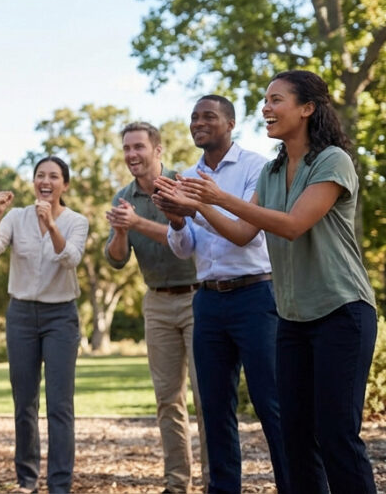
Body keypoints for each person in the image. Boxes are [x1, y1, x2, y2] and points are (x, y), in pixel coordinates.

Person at [155, 71, 377, 493]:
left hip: (341, 311)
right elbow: (242, 233)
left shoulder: (332, 161)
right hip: (292, 317)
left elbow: (292, 225)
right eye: (265, 100)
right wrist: (194, 208)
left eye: (276, 100)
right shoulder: (273, 171)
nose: (266, 108)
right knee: (295, 436)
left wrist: (218, 197)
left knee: (336, 435)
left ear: (307, 108)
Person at [152, 95, 289, 494]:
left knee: (271, 403)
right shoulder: (187, 177)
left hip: (255, 296)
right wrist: (177, 221)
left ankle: (294, 484)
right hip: (208, 300)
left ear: (230, 123)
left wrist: (194, 210)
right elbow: (184, 249)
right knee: (213, 407)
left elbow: (245, 235)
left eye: (208, 116)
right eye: (194, 117)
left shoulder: (256, 168)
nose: (198, 122)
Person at [103, 122, 208, 493]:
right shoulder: (123, 198)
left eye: (139, 147)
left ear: (158, 150)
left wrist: (136, 222)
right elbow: (117, 260)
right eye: (127, 148)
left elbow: (186, 242)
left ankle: (215, 482)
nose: (132, 154)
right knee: (167, 400)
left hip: (198, 298)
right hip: (157, 303)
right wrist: (121, 231)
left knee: (206, 396)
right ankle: (177, 484)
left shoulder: (182, 185)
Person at [0, 156, 88, 494]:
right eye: (40, 175)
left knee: (59, 405)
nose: (46, 181)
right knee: (24, 402)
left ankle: (59, 484)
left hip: (61, 317)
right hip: (22, 316)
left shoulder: (76, 221)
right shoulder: (16, 217)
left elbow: (70, 259)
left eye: (54, 176)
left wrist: (52, 225)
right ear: (33, 182)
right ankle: (27, 480)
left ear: (64, 185)